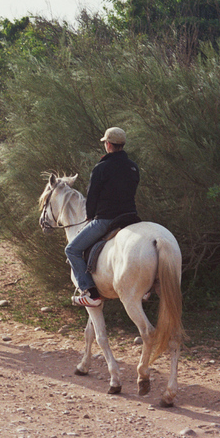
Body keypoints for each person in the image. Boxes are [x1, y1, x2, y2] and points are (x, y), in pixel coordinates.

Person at [65, 127, 139, 307]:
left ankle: (90, 293)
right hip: (132, 217)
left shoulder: (101, 168)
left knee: (72, 250)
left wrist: (90, 217)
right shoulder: (133, 167)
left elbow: (92, 197)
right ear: (122, 145)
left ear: (108, 145)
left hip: (106, 219)